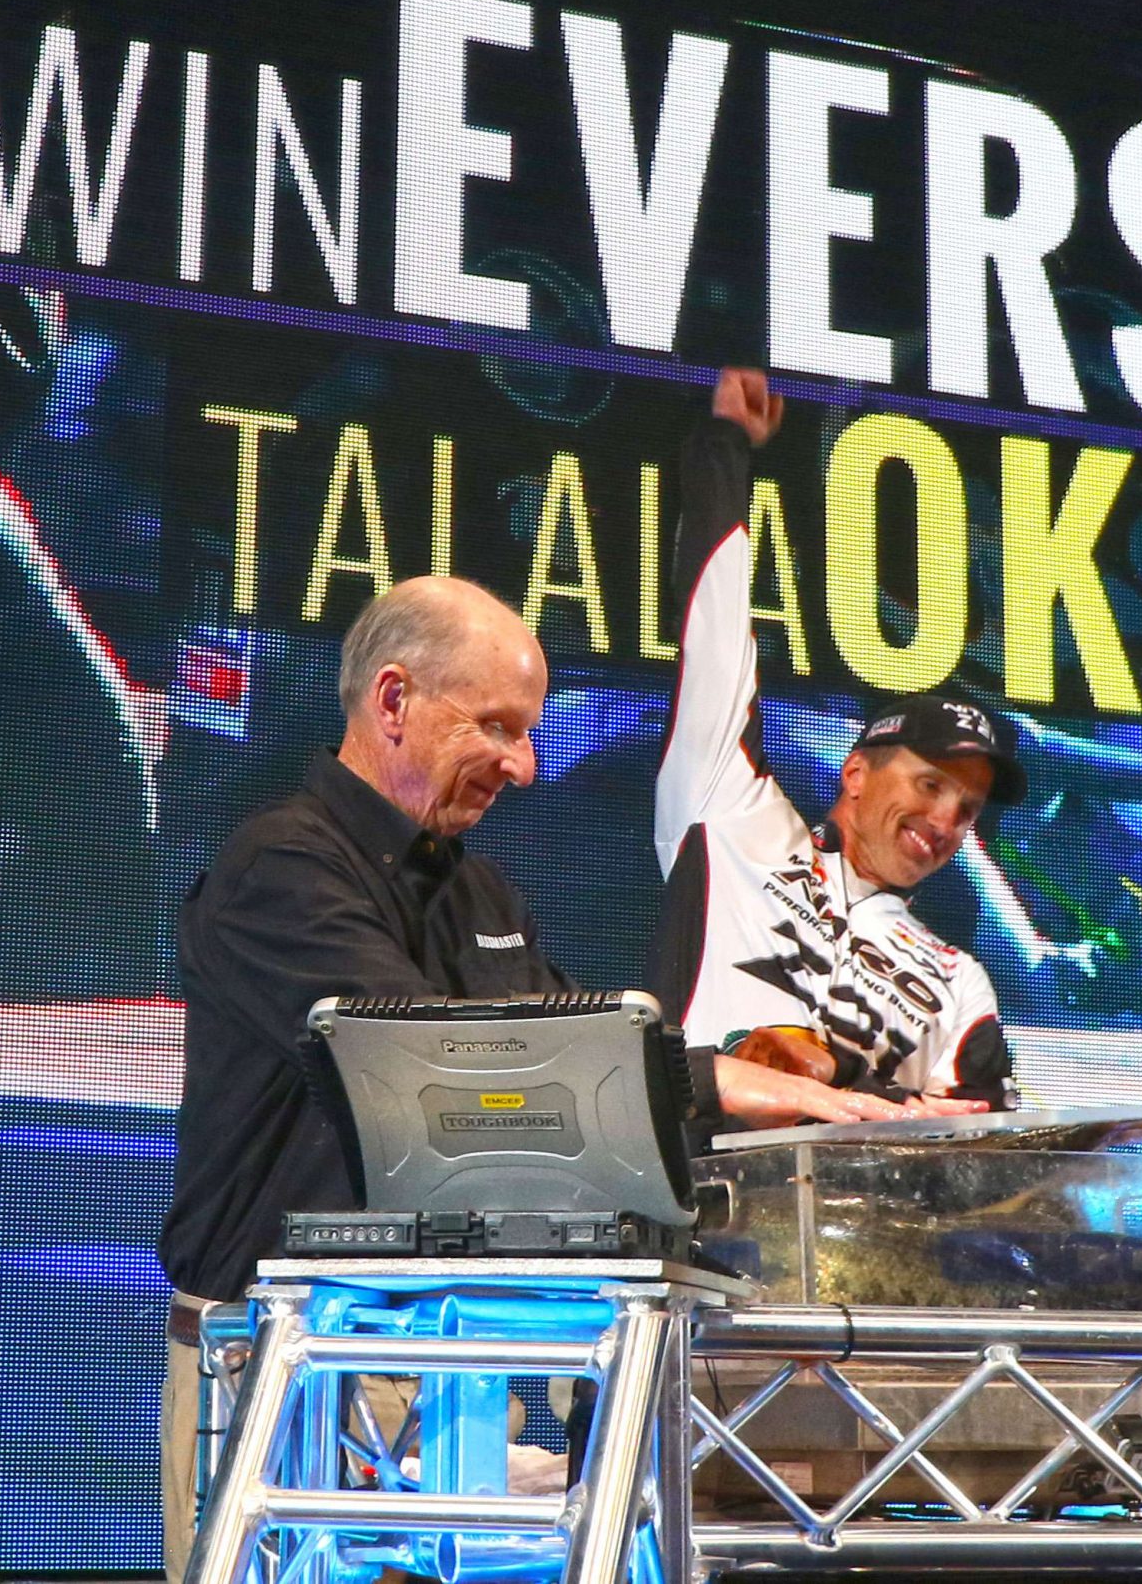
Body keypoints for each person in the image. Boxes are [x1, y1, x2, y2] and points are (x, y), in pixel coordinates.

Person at [155, 574, 913, 1576]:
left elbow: (577, 1066)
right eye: (499, 727)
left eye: (530, 731)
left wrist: (839, 1104)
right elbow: (441, 1068)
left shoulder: (480, 888)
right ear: (393, 700)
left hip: (463, 1366)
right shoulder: (282, 867)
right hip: (289, 1366)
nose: (527, 764)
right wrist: (717, 1080)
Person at [650, 369, 1023, 1119]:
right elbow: (716, 628)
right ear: (856, 772)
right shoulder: (732, 817)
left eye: (967, 807)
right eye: (930, 785)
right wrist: (725, 443)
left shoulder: (959, 983)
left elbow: (989, 1142)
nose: (945, 820)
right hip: (695, 1171)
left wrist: (906, 1110)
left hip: (850, 1192)